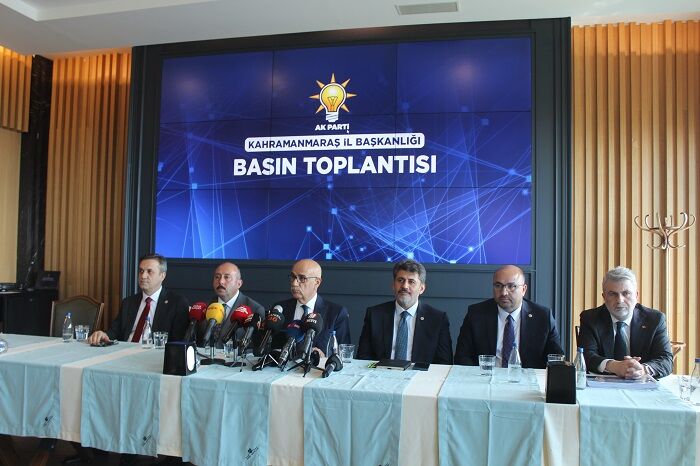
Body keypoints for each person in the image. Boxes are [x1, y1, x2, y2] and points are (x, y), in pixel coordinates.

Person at [453, 265, 563, 368]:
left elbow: (556, 360)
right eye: (498, 286)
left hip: (527, 380)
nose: (503, 292)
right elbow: (462, 357)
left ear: (523, 290)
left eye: (511, 286)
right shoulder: (476, 314)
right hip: (486, 378)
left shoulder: (543, 317)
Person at [578, 266, 673, 379]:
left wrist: (642, 369)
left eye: (626, 293)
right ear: (604, 297)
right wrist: (614, 366)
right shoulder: (590, 318)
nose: (620, 300)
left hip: (642, 385)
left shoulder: (655, 319)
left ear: (636, 295)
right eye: (612, 294)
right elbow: (586, 356)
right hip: (602, 385)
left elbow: (666, 360)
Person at [357, 259, 453, 364]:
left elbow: (444, 363)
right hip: (380, 372)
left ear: (421, 288)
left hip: (419, 374)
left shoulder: (437, 319)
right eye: (400, 280)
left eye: (411, 282)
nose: (405, 286)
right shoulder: (375, 315)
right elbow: (363, 358)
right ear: (393, 285)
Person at [88, 253, 189, 344]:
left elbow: (178, 341)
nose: (143, 276)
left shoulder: (176, 303)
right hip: (124, 352)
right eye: (141, 271)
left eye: (149, 271)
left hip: (155, 354)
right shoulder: (128, 302)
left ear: (162, 275)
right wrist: (103, 335)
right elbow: (114, 331)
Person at [271, 259, 351, 356]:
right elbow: (271, 347)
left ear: (317, 282)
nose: (294, 283)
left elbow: (344, 353)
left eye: (302, 278)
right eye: (293, 277)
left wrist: (325, 358)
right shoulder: (280, 309)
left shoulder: (336, 313)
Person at [196, 261, 265, 348]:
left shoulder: (255, 309)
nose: (221, 281)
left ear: (239, 283)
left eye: (226, 277)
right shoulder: (204, 307)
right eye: (217, 277)